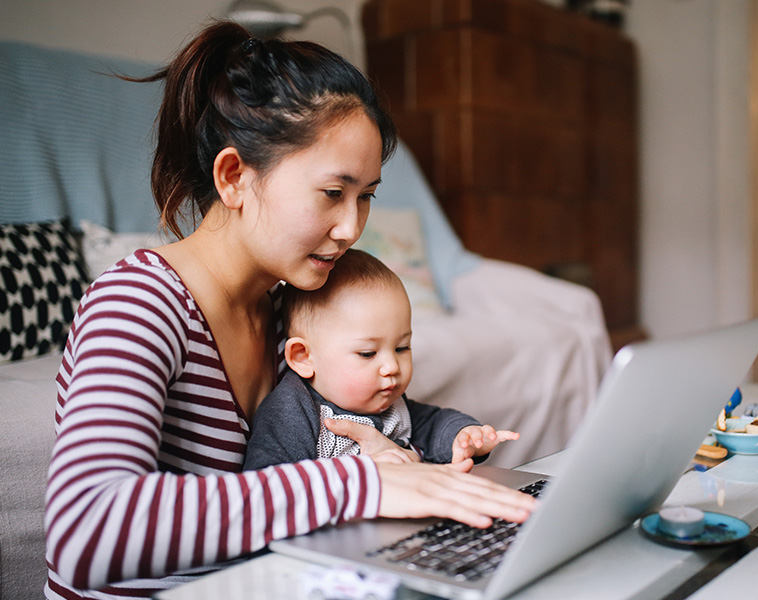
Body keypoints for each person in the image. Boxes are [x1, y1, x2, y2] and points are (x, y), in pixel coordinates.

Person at [44, 22, 536, 600]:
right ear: (233, 177)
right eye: (333, 192)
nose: (352, 228)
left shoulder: (293, 313)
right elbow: (85, 531)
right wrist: (357, 483)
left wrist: (398, 459)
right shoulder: (138, 305)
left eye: (367, 196)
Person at [245, 249, 519, 470]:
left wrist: (464, 436)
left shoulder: (390, 404)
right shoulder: (293, 412)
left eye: (402, 347)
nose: (392, 367)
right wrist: (359, 473)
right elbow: (270, 485)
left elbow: (433, 423)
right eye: (367, 353)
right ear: (304, 358)